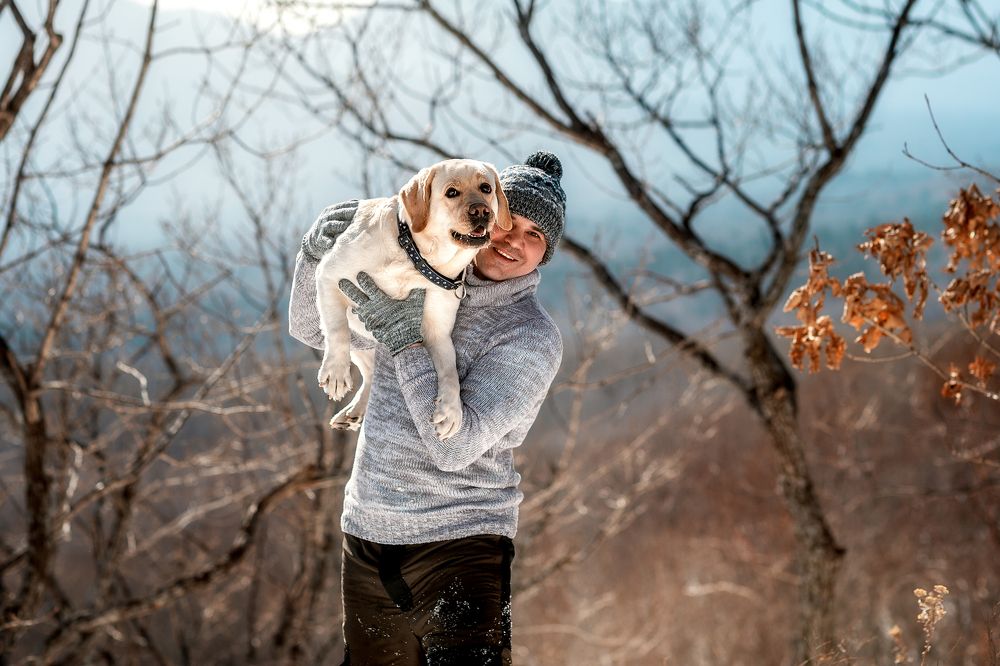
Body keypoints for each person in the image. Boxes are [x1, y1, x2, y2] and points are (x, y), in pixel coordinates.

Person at [288, 151, 566, 665]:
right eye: (510, 222)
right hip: (368, 539)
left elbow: (454, 448)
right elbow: (313, 329)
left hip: (460, 547)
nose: (512, 240)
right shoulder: (409, 278)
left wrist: (406, 340)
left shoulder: (530, 337)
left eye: (535, 236)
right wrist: (316, 254)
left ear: (545, 254)